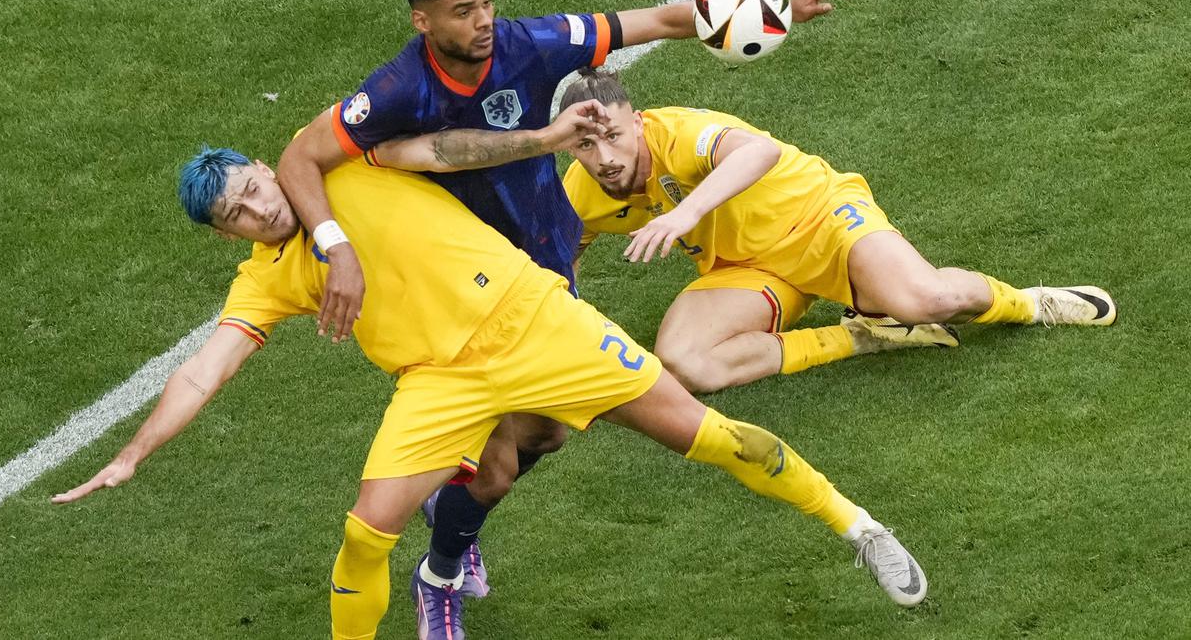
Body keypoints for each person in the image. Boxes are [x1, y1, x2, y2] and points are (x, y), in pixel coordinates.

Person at [53, 146, 928, 640]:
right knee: (365, 530)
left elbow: (446, 138)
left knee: (712, 437)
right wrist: (133, 453)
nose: (260, 212)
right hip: (438, 381)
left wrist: (552, 128)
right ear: (225, 235)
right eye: (237, 216)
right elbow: (203, 368)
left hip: (538, 323)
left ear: (260, 165)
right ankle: (441, 565)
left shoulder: (341, 167)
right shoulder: (266, 276)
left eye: (252, 190)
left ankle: (860, 529)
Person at [275, 0, 864, 628]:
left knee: (545, 435)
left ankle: (453, 513)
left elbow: (659, 21)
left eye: (487, 2)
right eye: (463, 11)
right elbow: (300, 158)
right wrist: (336, 246)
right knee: (494, 469)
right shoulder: (398, 90)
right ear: (423, 21)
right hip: (465, 292)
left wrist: (760, 17)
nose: (484, 20)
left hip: (544, 270)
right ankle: (439, 575)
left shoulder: (533, 42)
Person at [555, 69, 1116, 392]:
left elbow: (759, 151)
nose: (605, 157)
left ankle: (1030, 303)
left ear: (638, 123)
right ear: (566, 144)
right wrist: (568, 327)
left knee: (929, 300)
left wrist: (682, 214)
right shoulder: (577, 193)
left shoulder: (680, 133)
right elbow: (559, 263)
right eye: (585, 145)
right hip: (747, 269)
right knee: (683, 362)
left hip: (822, 219)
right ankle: (862, 335)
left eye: (614, 137)